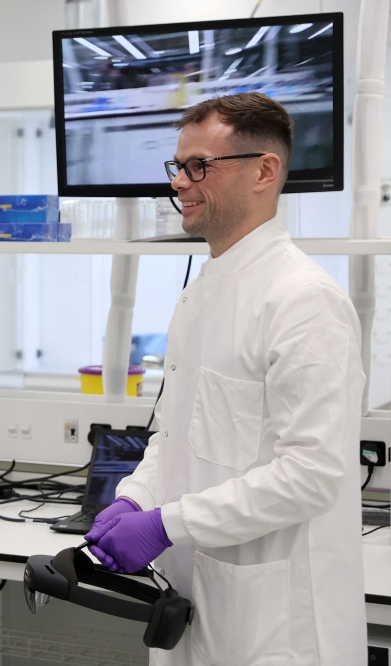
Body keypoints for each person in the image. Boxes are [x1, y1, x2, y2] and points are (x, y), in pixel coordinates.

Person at [85, 92, 367, 664]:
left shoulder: (303, 301)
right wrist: (137, 498)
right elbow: (175, 434)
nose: (181, 184)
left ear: (265, 171)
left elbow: (311, 474)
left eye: (199, 167)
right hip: (191, 601)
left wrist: (171, 523)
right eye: (178, 167)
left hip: (275, 623)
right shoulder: (198, 295)